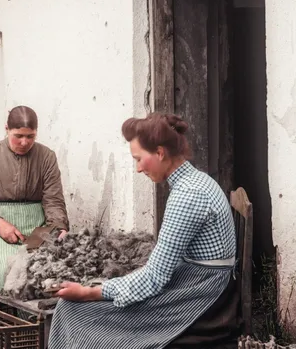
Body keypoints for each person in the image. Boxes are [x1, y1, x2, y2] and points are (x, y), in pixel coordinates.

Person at [47, 113, 237, 349]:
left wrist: (88, 293)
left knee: (75, 312)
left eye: (139, 159)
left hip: (204, 294)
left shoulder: (188, 195)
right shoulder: (195, 181)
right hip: (199, 281)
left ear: (160, 153)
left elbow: (154, 278)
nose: (137, 169)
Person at [0, 105, 69, 293]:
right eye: (18, 136)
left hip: (37, 228)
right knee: (4, 269)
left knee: (46, 269)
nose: (24, 142)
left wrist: (58, 227)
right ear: (7, 129)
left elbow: (53, 200)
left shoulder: (46, 157)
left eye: (30, 136)